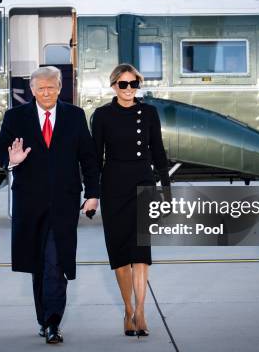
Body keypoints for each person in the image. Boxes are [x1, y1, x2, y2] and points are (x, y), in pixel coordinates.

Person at [0, 66, 99, 344]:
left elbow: (88, 158)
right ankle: (43, 319)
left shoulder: (75, 116)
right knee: (37, 263)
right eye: (41, 88)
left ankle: (53, 321)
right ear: (32, 90)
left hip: (64, 202)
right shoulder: (15, 117)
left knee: (56, 261)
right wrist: (12, 160)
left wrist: (93, 193)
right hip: (29, 203)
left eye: (51, 87)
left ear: (60, 87)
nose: (46, 93)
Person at [91, 63, 170, 337]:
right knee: (121, 255)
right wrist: (92, 193)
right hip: (114, 187)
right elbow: (94, 158)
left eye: (133, 84)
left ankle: (141, 312)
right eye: (123, 84)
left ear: (138, 85)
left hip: (142, 185)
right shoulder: (102, 115)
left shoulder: (149, 113)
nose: (128, 89)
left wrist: (166, 187)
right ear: (113, 85)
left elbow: (158, 150)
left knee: (141, 254)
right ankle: (127, 309)